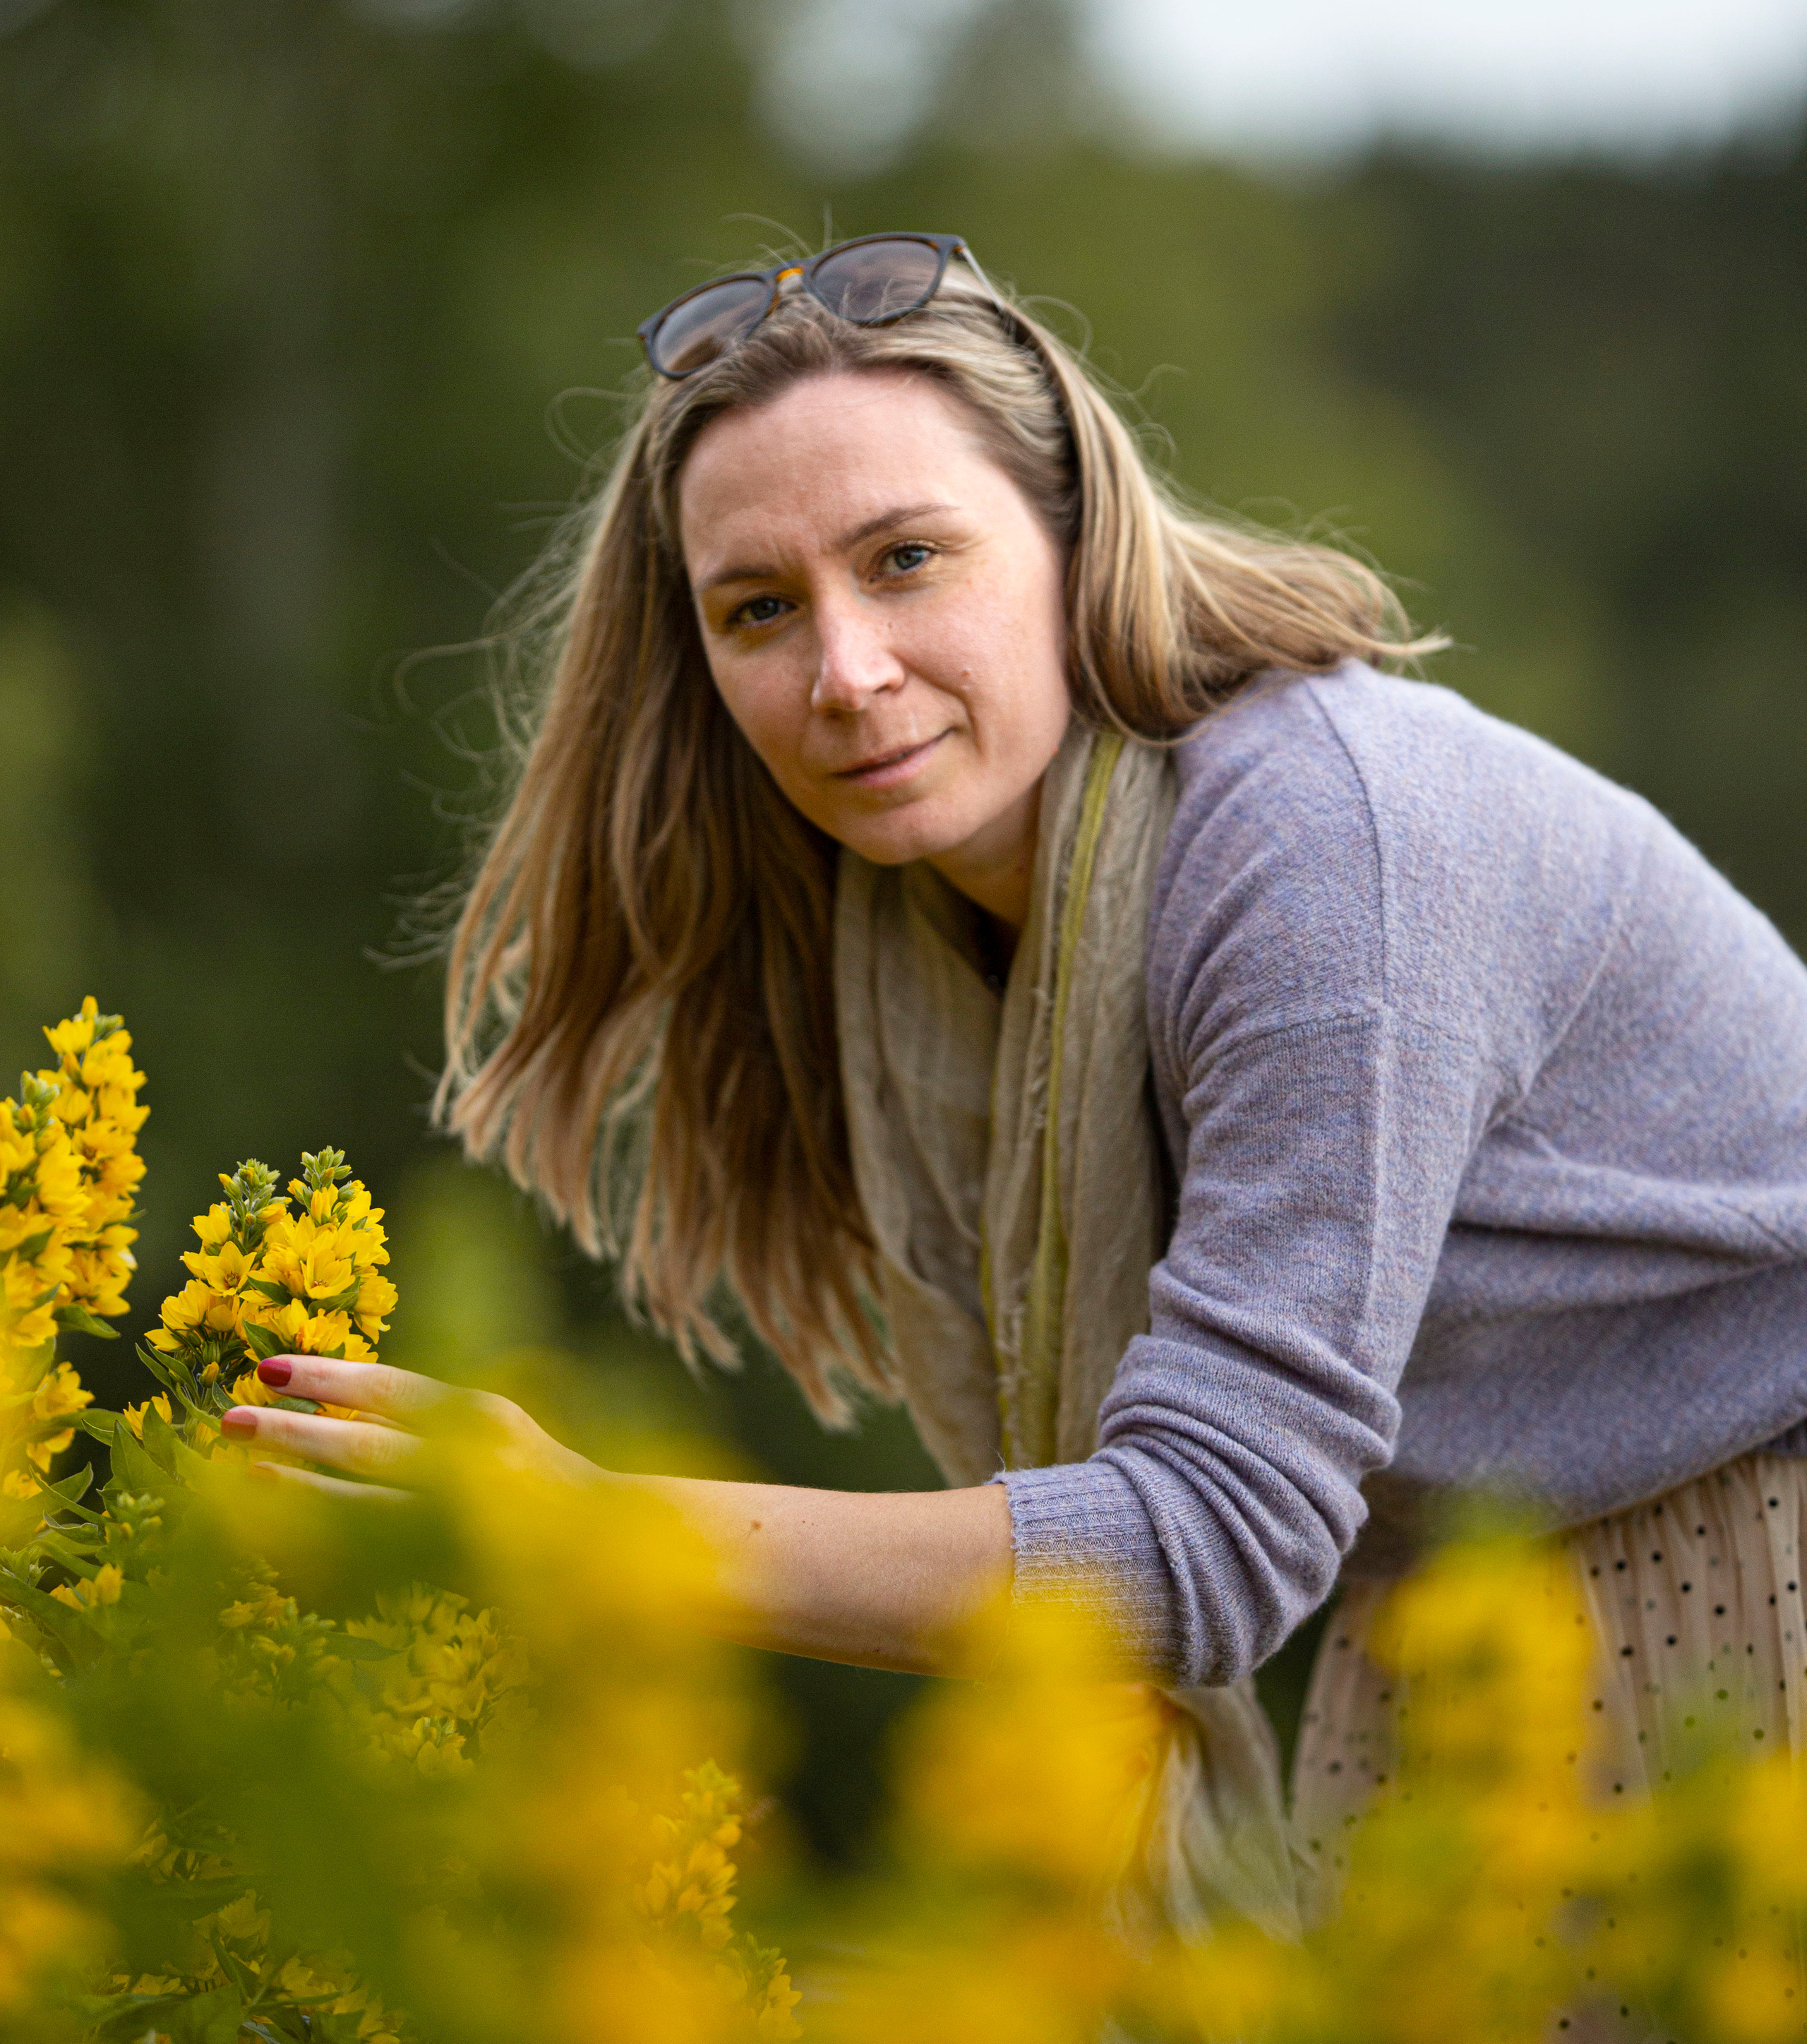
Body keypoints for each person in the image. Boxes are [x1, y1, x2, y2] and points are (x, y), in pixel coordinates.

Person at [222, 232, 1807, 1915]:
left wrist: (592, 1532)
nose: (844, 673)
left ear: (1071, 540)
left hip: (1742, 1574)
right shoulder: (926, 926)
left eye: (905, 559)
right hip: (1464, 1627)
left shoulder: (1323, 848)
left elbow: (1210, 1539)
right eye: (758, 610)